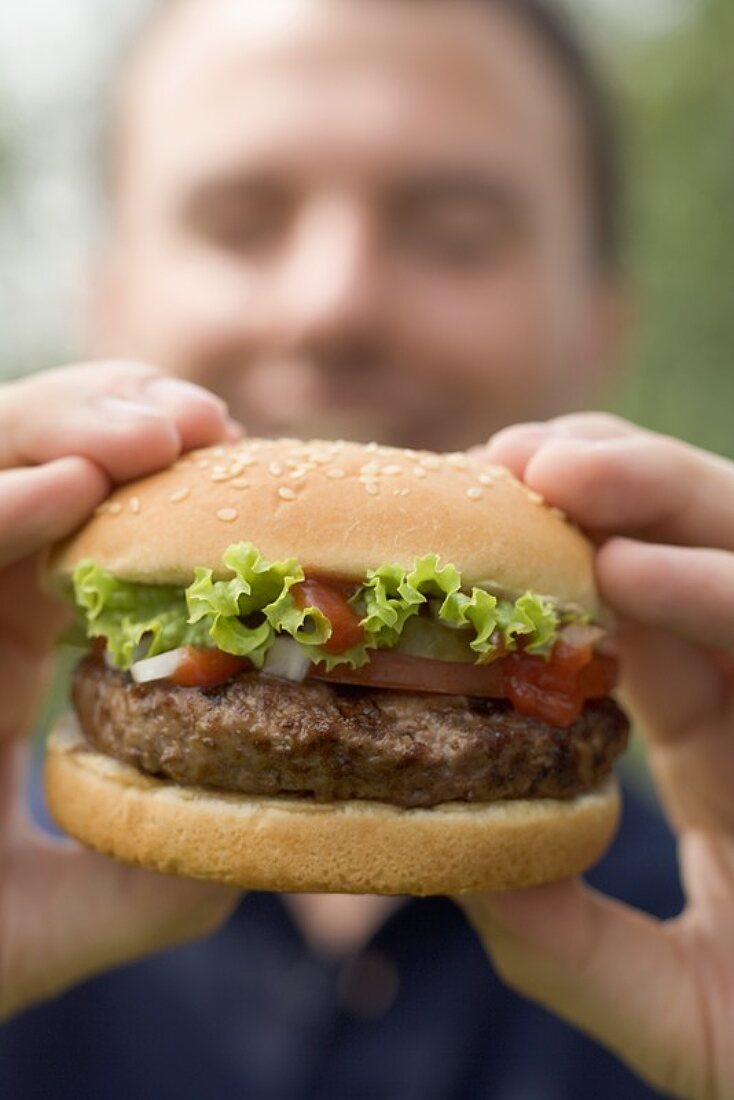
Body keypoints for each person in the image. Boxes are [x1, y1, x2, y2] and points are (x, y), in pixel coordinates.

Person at [0, 0, 728, 1096]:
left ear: (597, 324)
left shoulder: (697, 901)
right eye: (240, 219)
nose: (330, 304)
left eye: (452, 231)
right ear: (105, 300)